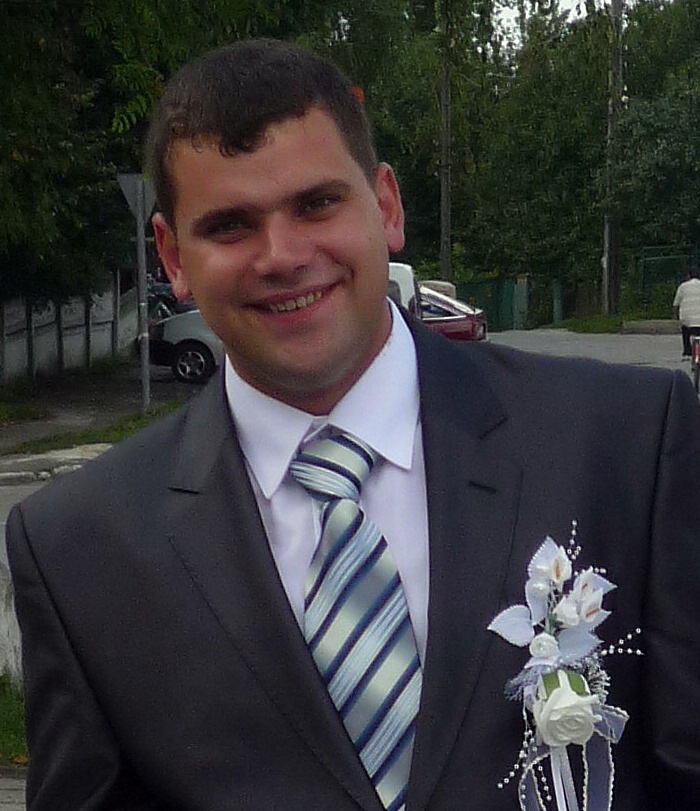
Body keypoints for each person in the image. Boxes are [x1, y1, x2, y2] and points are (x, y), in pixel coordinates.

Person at [6, 39, 700, 811]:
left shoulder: (624, 441)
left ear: (387, 206)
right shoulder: (80, 547)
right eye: (230, 225)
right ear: (172, 255)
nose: (282, 255)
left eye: (316, 204)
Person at [673, 265, 700, 358]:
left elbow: (676, 303)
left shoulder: (683, 286)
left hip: (687, 319)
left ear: (689, 275)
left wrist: (676, 316)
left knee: (685, 331)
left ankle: (687, 352)